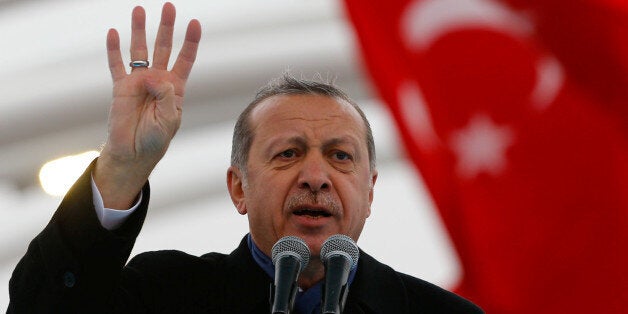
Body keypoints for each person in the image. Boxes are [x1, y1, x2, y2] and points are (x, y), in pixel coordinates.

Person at [8, 3, 483, 313]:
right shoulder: (166, 295)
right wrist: (122, 166)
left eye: (340, 156)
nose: (315, 177)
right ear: (239, 188)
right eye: (288, 154)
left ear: (370, 189)